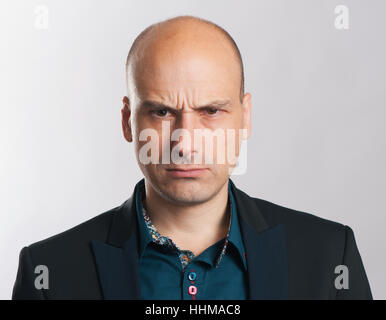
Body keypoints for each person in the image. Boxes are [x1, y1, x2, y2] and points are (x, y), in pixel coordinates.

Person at [12, 15, 372, 300]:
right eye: (162, 112)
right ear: (127, 121)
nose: (185, 143)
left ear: (245, 117)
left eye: (211, 111)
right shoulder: (48, 271)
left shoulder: (329, 256)